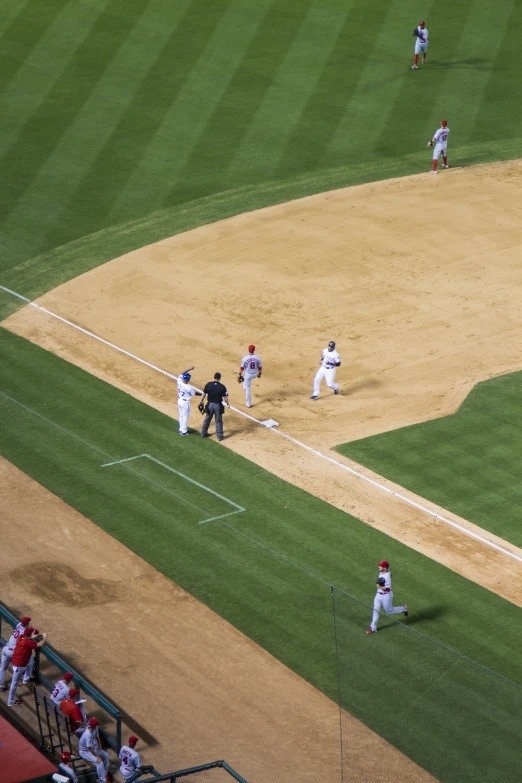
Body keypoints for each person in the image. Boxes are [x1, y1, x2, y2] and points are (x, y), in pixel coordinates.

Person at [366, 560, 408, 634]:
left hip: (386, 596)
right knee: (375, 610)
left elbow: (388, 589)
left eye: (381, 566)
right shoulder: (383, 572)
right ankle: (373, 628)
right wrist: (389, 574)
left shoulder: (387, 576)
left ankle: (403, 608)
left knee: (389, 611)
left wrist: (379, 586)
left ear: (385, 568)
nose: (379, 567)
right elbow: (389, 573)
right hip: (378, 595)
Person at [8, 627, 47, 706]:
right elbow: (39, 644)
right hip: (18, 665)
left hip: (17, 661)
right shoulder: (27, 642)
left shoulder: (21, 636)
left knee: (30, 661)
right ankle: (10, 701)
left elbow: (31, 636)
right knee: (14, 683)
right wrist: (45, 637)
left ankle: (26, 679)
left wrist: (40, 634)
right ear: (29, 634)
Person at [0, 616, 32, 690]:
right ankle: (26, 679)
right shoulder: (24, 631)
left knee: (2, 668)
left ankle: (0, 686)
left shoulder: (19, 625)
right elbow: (32, 634)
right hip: (13, 652)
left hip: (5, 649)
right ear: (27, 623)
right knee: (30, 660)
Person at [200, 373, 230, 442]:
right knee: (218, 420)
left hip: (210, 404)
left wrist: (201, 401)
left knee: (207, 419)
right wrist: (228, 404)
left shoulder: (208, 384)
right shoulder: (222, 387)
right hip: (217, 406)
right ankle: (219, 436)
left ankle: (203, 433)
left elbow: (204, 393)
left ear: (214, 377)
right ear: (219, 378)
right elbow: (225, 397)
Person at [79, 718, 111, 783]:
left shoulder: (94, 728)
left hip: (93, 748)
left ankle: (104, 774)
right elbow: (89, 748)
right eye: (96, 725)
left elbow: (97, 736)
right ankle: (102, 781)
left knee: (105, 755)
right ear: (93, 726)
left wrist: (100, 745)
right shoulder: (88, 734)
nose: (97, 726)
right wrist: (97, 756)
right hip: (85, 751)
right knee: (99, 762)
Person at [176, 366, 202, 436]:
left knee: (181, 415)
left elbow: (181, 373)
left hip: (179, 401)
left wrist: (189, 369)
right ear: (188, 380)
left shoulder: (179, 381)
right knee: (185, 416)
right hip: (185, 403)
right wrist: (203, 394)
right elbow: (195, 393)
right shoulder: (188, 387)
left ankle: (181, 429)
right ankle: (184, 431)